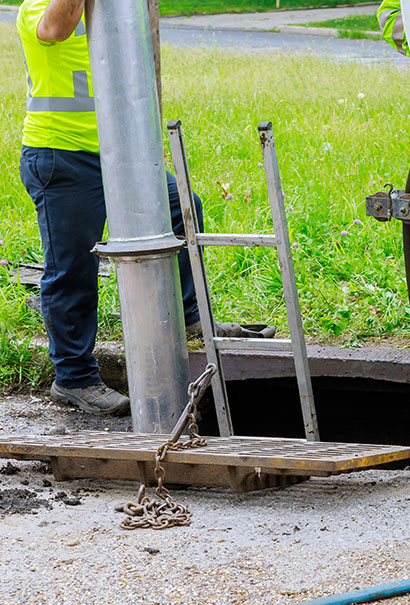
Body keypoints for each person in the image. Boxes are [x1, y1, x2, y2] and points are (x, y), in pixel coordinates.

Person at [17, 0, 204, 416]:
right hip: (62, 156)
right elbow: (57, 29)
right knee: (72, 270)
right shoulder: (36, 8)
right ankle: (74, 377)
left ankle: (189, 316)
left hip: (120, 151)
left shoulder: (112, 12)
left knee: (183, 209)